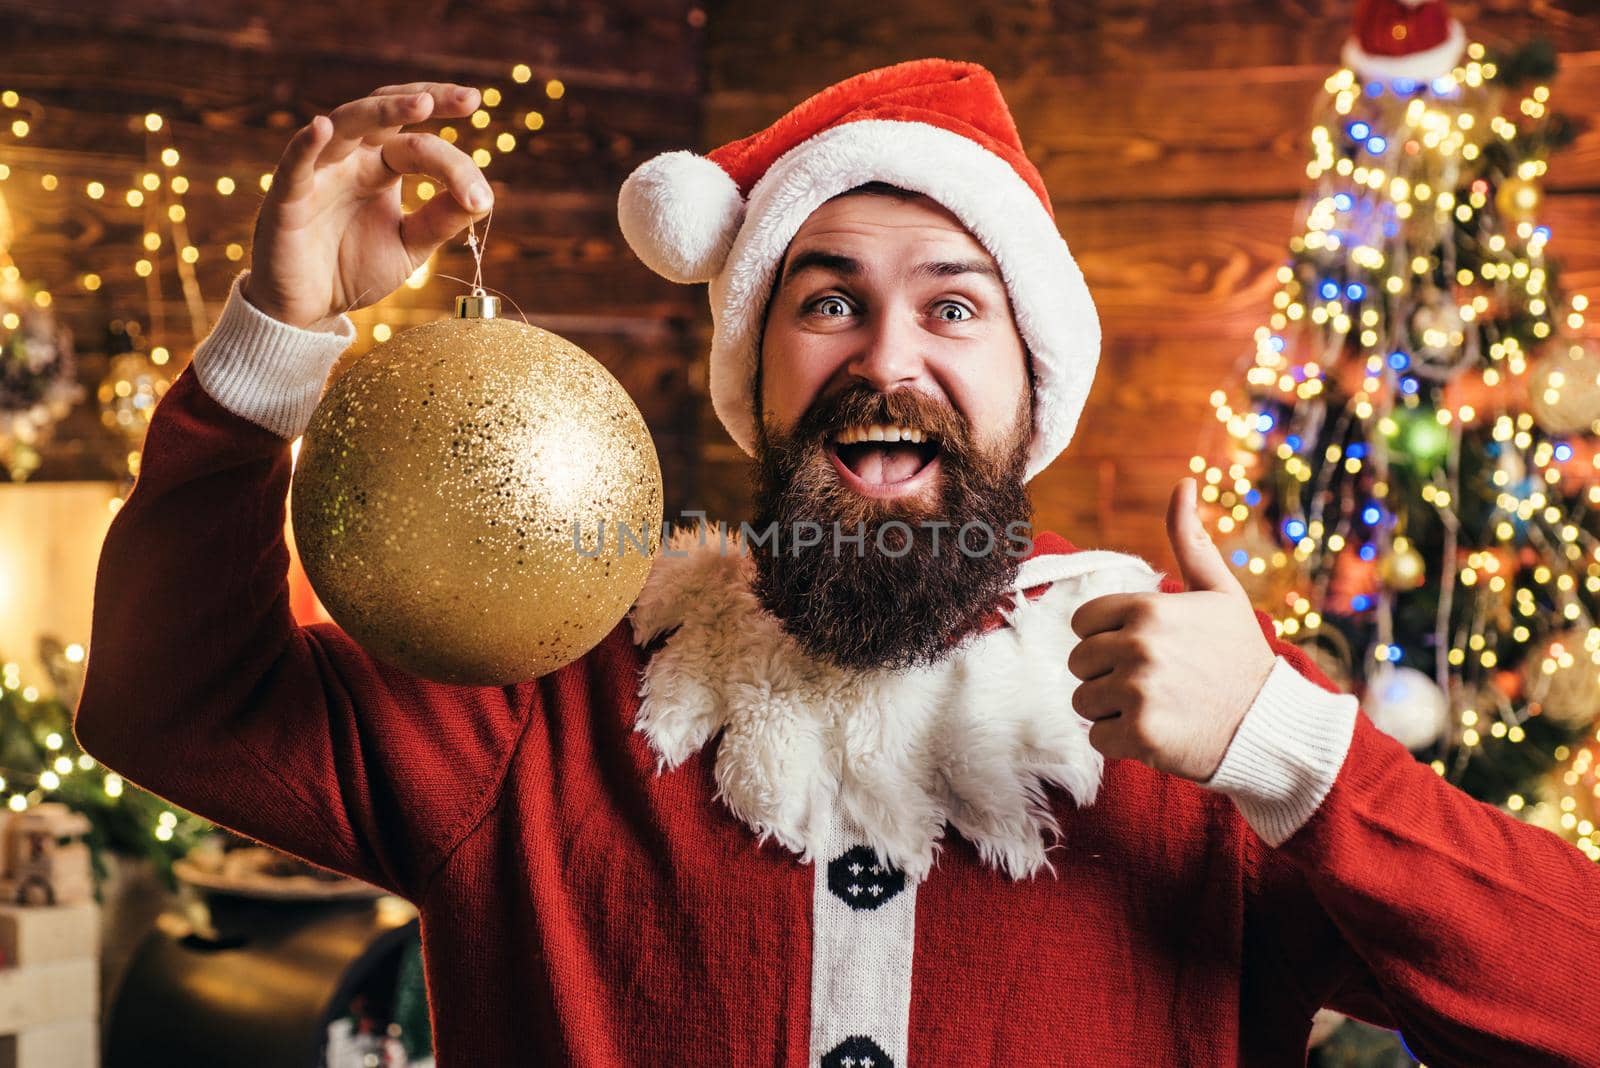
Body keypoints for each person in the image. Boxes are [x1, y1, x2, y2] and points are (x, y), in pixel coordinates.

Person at [75, 59, 1599, 1066]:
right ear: (758, 367)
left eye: (952, 309)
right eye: (829, 303)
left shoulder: (1200, 729)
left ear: (1029, 382)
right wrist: (278, 343)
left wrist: (1287, 748)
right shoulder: (546, 702)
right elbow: (171, 701)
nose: (888, 359)